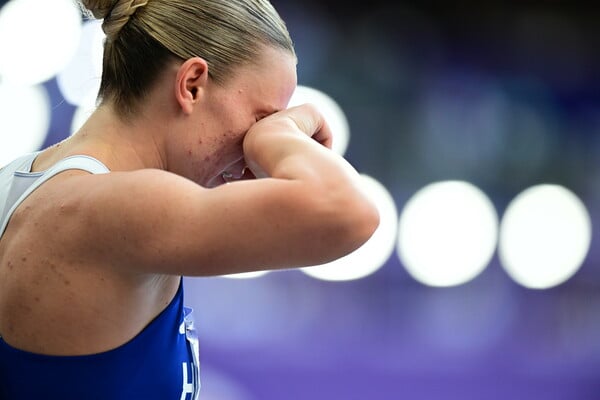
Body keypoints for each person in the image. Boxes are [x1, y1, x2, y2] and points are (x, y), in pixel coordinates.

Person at [0, 0, 379, 398]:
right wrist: (283, 133)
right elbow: (348, 212)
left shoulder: (23, 183)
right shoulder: (113, 208)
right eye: (258, 121)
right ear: (191, 85)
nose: (248, 163)